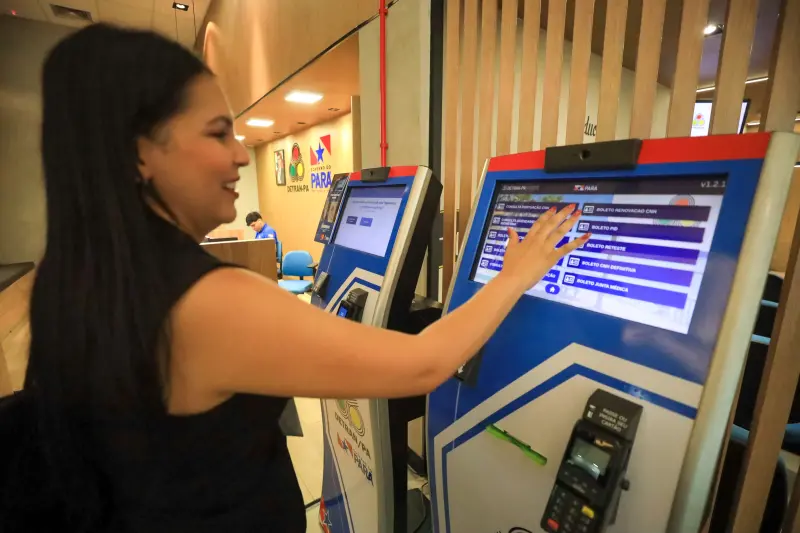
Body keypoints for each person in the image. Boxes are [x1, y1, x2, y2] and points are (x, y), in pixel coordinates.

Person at [16, 24, 589, 533]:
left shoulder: (69, 278)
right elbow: (426, 363)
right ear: (140, 152)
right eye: (217, 134)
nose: (241, 156)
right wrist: (515, 274)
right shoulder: (210, 302)